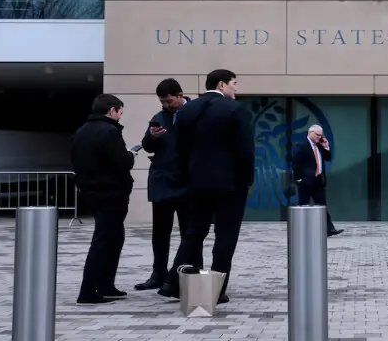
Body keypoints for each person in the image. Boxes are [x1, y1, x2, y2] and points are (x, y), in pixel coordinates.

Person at [157, 69, 254, 304]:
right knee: (225, 236)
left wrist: (188, 176)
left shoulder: (187, 110)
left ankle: (172, 282)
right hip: (229, 185)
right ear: (221, 85)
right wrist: (246, 180)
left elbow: (179, 148)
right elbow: (245, 150)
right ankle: (217, 289)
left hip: (197, 183)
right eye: (234, 84)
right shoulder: (235, 109)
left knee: (194, 232)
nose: (236, 89)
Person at [72, 94, 137, 304]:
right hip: (111, 193)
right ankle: (88, 290)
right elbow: (121, 163)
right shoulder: (110, 132)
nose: (120, 116)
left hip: (91, 192)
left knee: (114, 237)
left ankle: (106, 285)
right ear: (111, 110)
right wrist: (130, 155)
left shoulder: (81, 131)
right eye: (120, 112)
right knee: (103, 241)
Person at [134, 78, 197, 291]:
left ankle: (190, 272)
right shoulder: (159, 118)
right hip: (163, 183)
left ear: (180, 96)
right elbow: (146, 146)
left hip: (188, 182)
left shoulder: (195, 113)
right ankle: (158, 274)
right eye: (162, 101)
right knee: (160, 232)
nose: (166, 105)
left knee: (190, 232)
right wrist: (152, 137)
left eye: (169, 101)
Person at [291, 124, 343, 237]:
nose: (319, 137)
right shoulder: (302, 145)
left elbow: (327, 158)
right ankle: (301, 231)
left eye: (321, 135)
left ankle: (329, 229)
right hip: (305, 181)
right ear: (311, 133)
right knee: (303, 205)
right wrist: (299, 179)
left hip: (318, 180)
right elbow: (295, 163)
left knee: (322, 205)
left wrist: (326, 146)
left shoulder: (319, 145)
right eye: (317, 135)